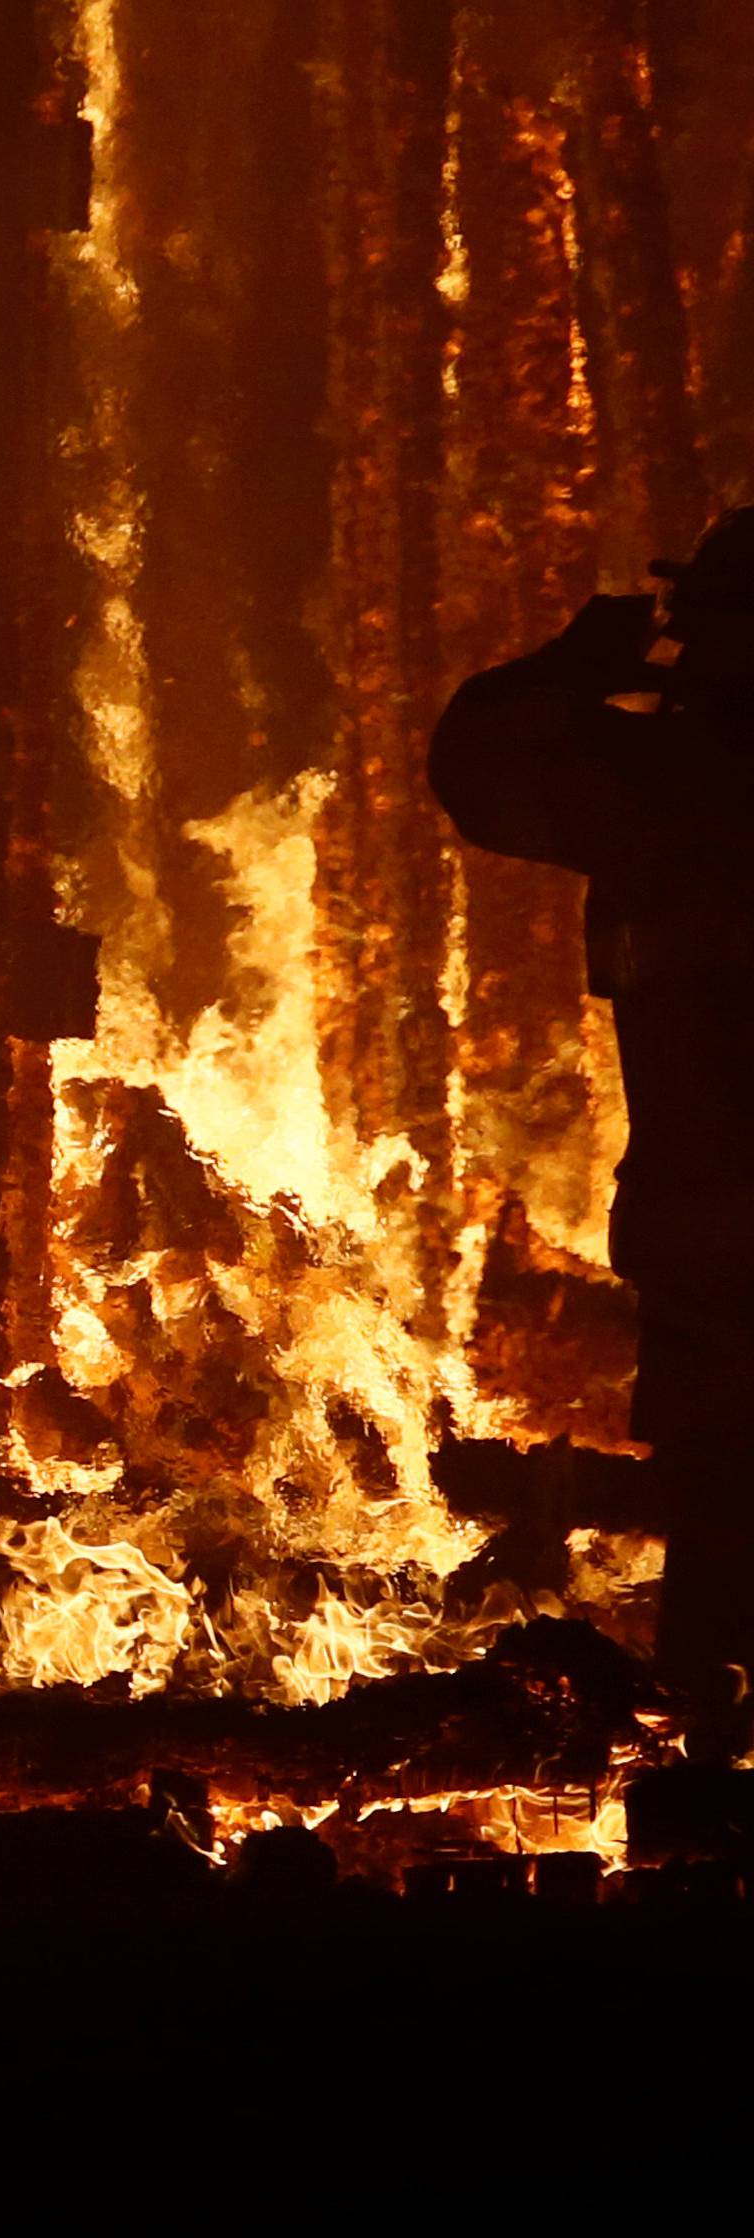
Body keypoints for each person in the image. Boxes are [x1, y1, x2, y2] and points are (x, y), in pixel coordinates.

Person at [428, 508, 754, 1724]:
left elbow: (479, 760)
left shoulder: (671, 790)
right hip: (709, 1241)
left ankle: (713, 1774)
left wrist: (579, 661)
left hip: (717, 1248)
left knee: (727, 1522)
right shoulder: (675, 782)